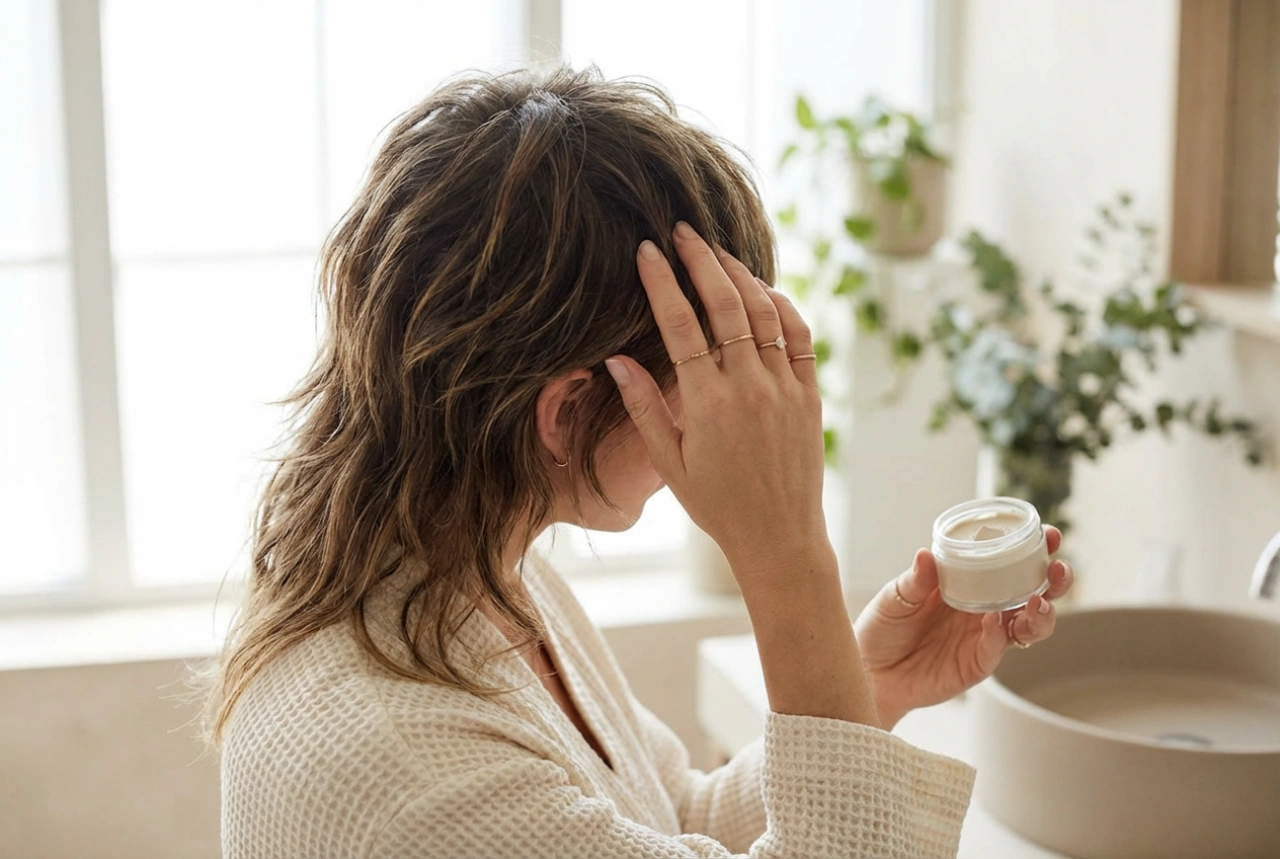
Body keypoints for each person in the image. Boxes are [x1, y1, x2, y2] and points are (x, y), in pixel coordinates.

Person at [209, 66, 1072, 858]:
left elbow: (670, 819)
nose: (731, 417)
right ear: (568, 410)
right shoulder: (410, 777)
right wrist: (786, 551)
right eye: (704, 375)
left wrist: (866, 682)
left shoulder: (473, 570)